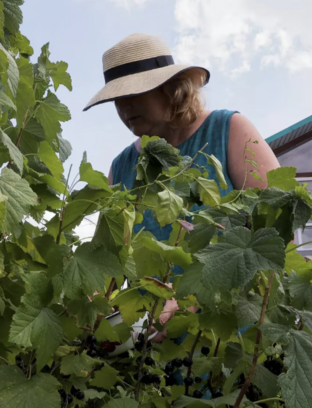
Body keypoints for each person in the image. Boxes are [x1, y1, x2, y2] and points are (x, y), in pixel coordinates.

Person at [84, 33, 280, 342]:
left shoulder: (228, 130)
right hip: (151, 350)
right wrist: (94, 302)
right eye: (117, 99)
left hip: (233, 340)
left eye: (134, 93)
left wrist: (191, 296)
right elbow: (108, 262)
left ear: (172, 88)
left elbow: (275, 231)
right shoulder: (121, 167)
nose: (124, 107)